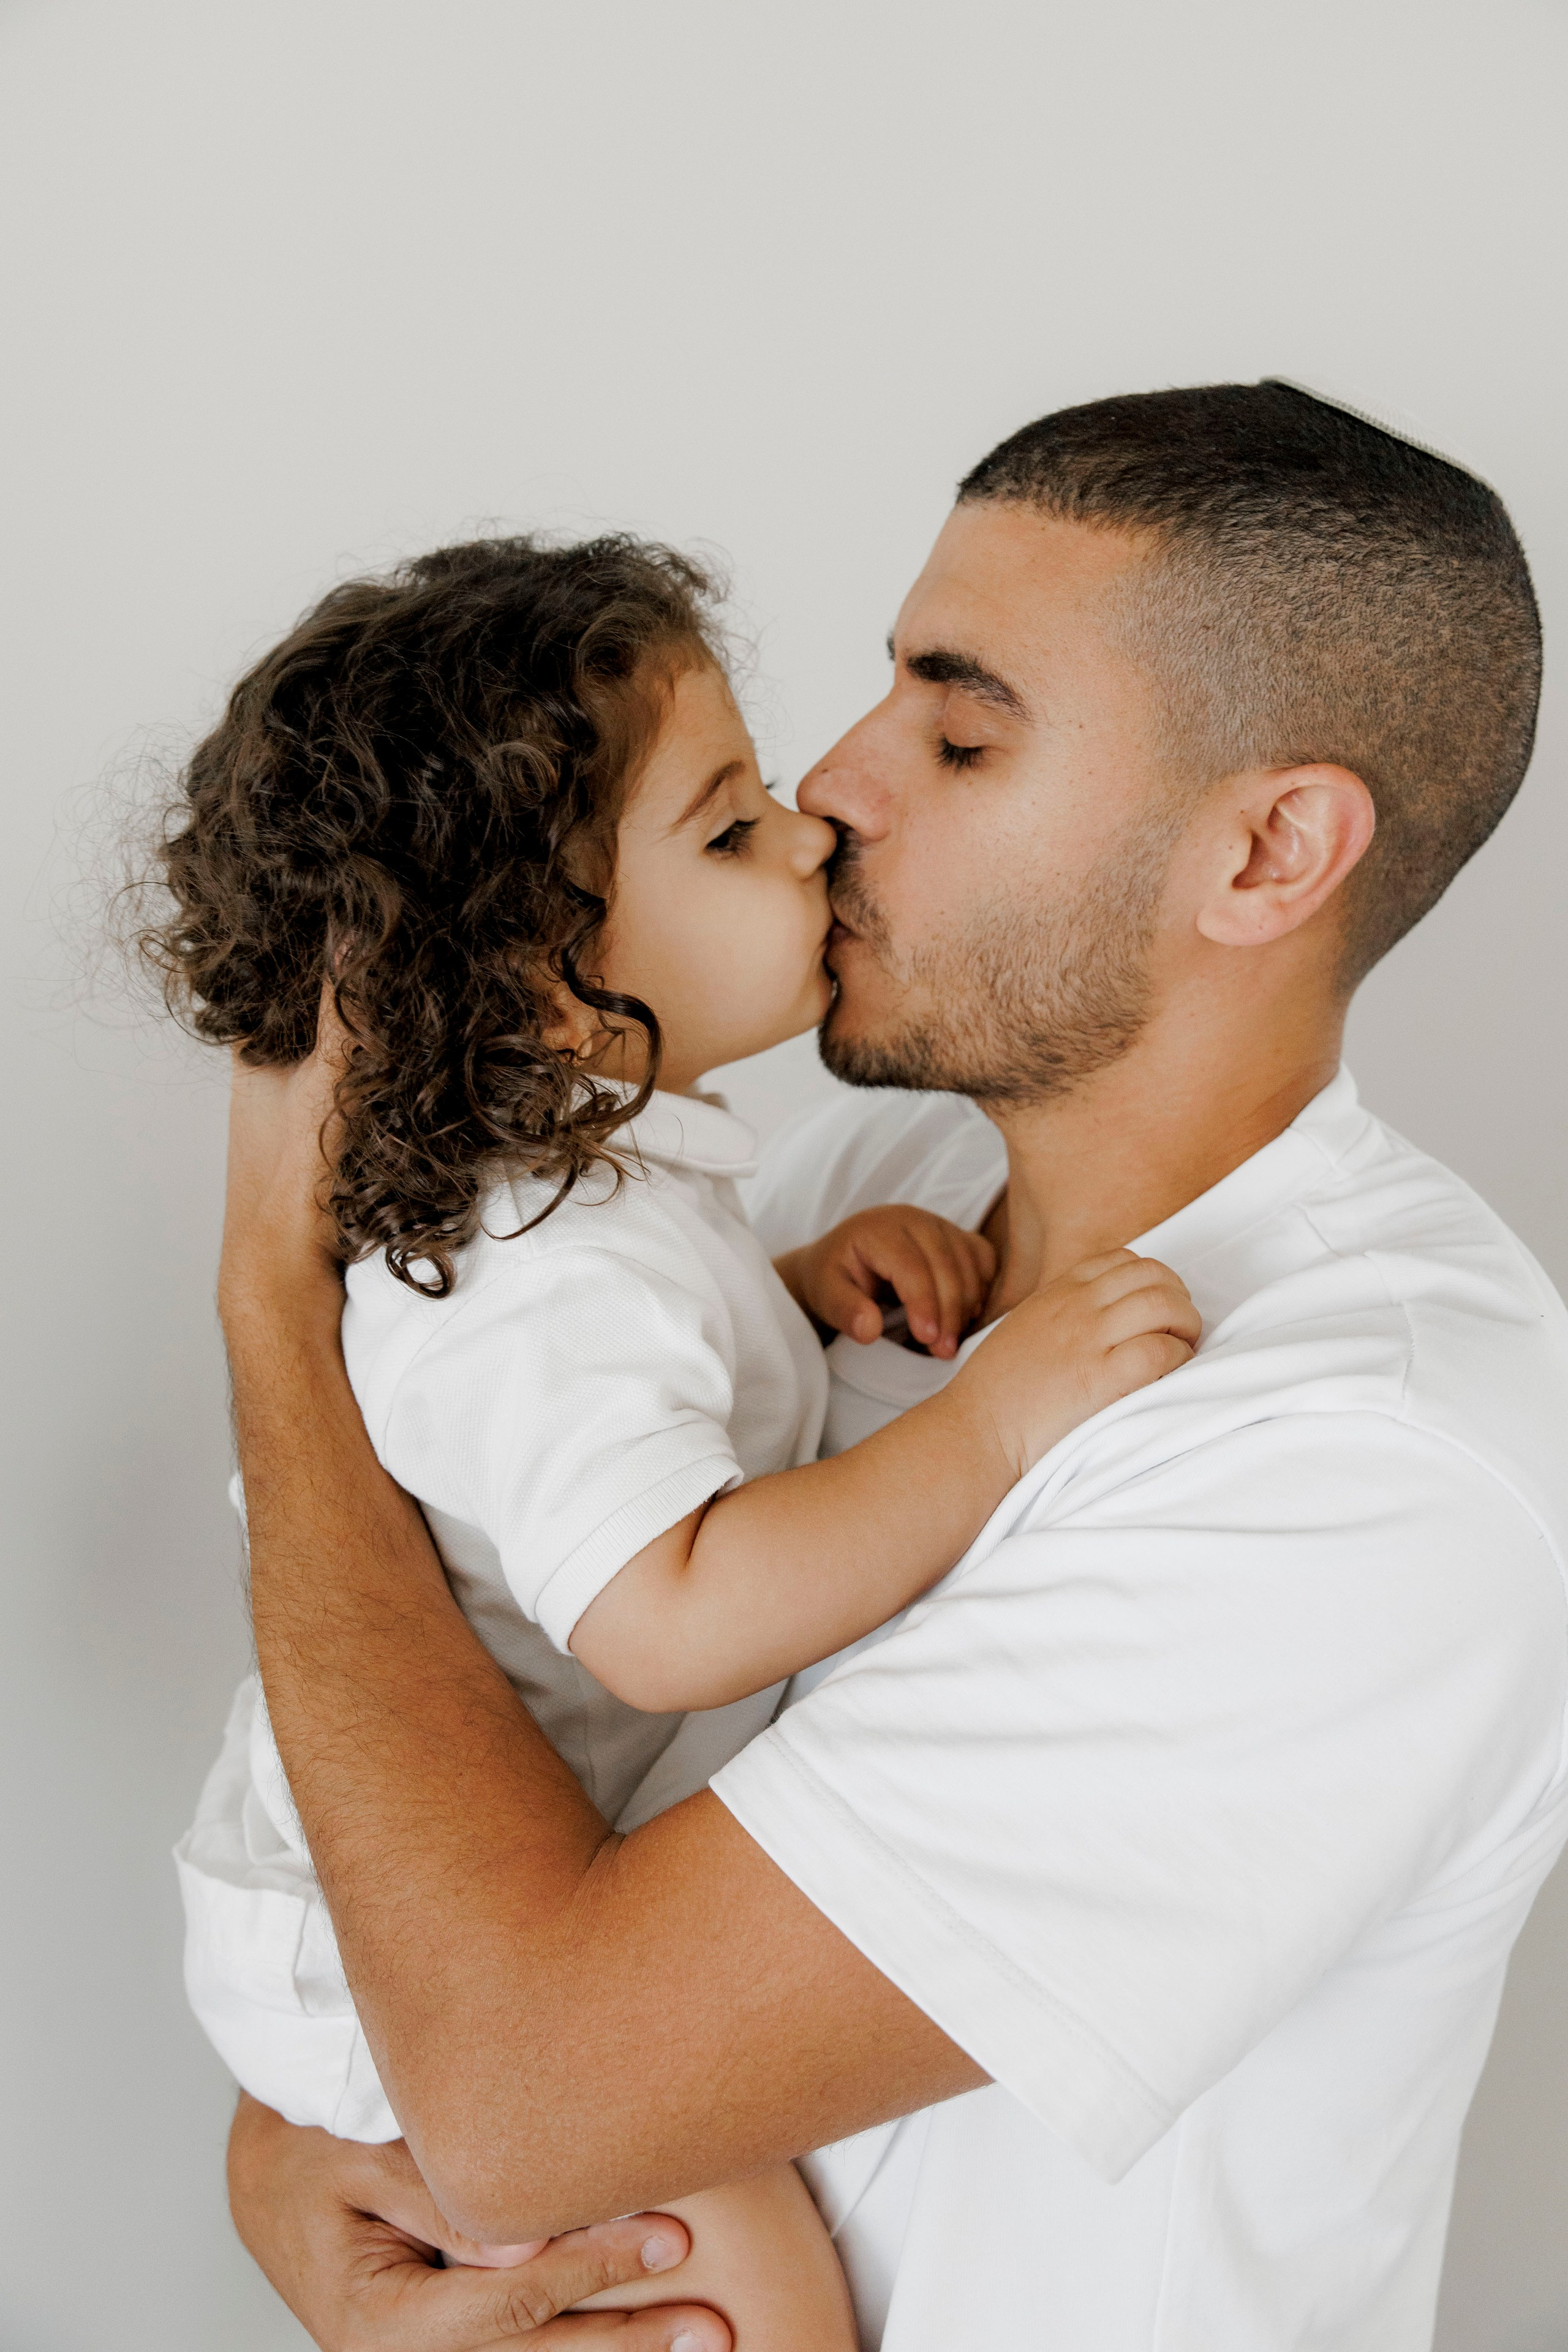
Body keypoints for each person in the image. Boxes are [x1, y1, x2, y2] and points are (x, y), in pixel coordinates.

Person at [213, 381, 1567, 2352]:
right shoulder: (868, 1182)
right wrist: (284, 2157)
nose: (836, 787)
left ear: (1271, 850)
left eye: (960, 731)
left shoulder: (1373, 1456)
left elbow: (522, 2102)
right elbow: (424, 1767)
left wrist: (270, 1302)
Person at [158, 535, 1198, 2348]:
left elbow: (594, 1432)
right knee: (746, 2272)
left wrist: (797, 1297)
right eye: (726, 833)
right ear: (547, 989)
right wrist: (993, 1424)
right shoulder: (560, 1267)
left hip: (386, 1911)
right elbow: (668, 1615)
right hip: (387, 1960)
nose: (814, 827)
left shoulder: (598, 1209)